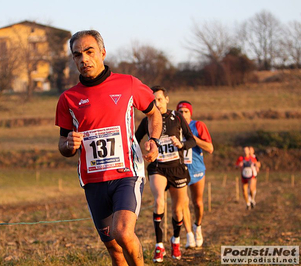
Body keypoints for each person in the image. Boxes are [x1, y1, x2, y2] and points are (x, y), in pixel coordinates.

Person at [55, 30, 162, 266]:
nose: (84, 59)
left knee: (122, 232)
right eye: (77, 55)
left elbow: (154, 114)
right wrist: (68, 144)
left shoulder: (128, 83)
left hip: (127, 174)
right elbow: (63, 144)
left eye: (89, 51)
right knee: (113, 249)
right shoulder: (68, 99)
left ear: (102, 52)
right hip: (93, 181)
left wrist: (154, 140)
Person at [135, 86, 196, 262]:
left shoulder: (176, 117)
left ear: (167, 99)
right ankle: (159, 246)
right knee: (159, 201)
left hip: (176, 167)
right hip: (157, 167)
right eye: (153, 101)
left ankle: (175, 240)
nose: (157, 103)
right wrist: (142, 152)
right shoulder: (148, 120)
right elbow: (134, 140)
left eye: (160, 100)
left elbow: (191, 140)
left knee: (178, 210)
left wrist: (181, 144)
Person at [176, 101, 214, 249]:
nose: (183, 113)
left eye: (186, 111)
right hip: (180, 170)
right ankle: (189, 235)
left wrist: (193, 139)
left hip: (197, 169)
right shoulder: (175, 127)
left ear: (190, 113)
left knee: (197, 203)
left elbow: (210, 148)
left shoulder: (198, 126)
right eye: (181, 111)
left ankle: (197, 226)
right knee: (183, 203)